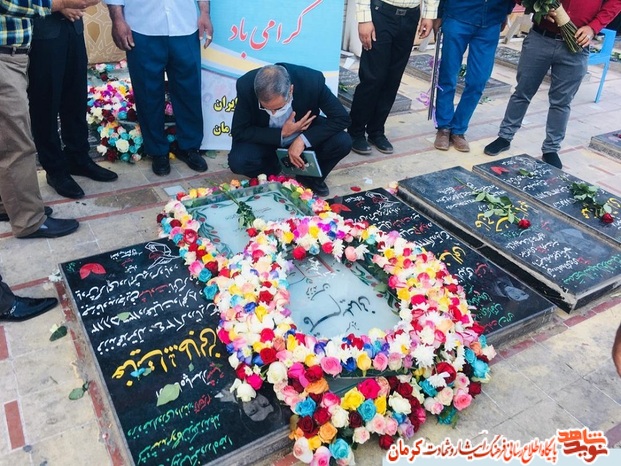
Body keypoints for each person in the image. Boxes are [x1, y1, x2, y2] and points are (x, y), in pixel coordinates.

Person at [0, 0, 97, 239]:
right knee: (16, 143)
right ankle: (29, 221)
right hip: (7, 54)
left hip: (14, 51)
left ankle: (8, 203)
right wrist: (59, 4)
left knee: (6, 137)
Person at [484, 0, 621, 168]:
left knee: (561, 101)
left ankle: (551, 148)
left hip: (576, 43)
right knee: (522, 92)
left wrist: (593, 27)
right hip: (540, 38)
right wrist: (539, 7)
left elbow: (615, 2)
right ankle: (505, 136)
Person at [105, 0, 212, 176]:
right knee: (148, 92)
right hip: (142, 26)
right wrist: (117, 19)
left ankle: (189, 147)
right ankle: (157, 151)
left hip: (184, 24)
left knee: (189, 90)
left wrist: (205, 13)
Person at [28, 9, 118, 200]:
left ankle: (78, 158)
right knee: (45, 104)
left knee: (76, 97)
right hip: (43, 32)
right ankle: (54, 169)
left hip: (74, 28)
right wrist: (61, 5)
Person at [229, 63, 352, 197]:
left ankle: (310, 178)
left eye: (278, 108)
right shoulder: (246, 85)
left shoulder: (311, 81)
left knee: (342, 141)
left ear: (291, 90)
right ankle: (272, 170)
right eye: (266, 108)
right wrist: (281, 134)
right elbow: (239, 131)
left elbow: (341, 118)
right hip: (267, 139)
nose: (274, 113)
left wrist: (303, 140)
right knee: (238, 161)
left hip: (303, 133)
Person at [348, 0, 436, 156]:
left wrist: (429, 15)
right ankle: (356, 131)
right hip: (381, 13)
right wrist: (364, 19)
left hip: (411, 16)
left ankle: (376, 131)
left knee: (393, 78)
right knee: (373, 78)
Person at [433, 0, 515, 153]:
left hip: (492, 19)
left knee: (479, 80)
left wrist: (506, 11)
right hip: (458, 14)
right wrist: (438, 14)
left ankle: (458, 129)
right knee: (448, 74)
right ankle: (444, 127)